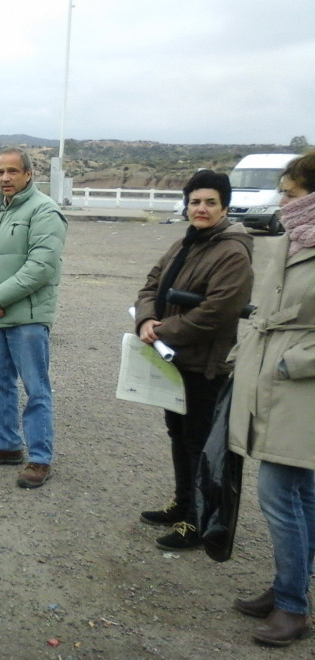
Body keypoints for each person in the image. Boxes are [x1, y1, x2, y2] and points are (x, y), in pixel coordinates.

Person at [133, 168, 253, 545]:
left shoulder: (232, 251)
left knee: (200, 443)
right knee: (179, 434)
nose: (200, 209)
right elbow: (152, 284)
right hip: (175, 360)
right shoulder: (186, 243)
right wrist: (147, 318)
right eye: (195, 202)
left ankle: (199, 521)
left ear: (225, 207)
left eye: (210, 203)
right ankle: (182, 503)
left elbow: (217, 312)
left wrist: (162, 330)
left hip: (205, 365)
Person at [228, 152, 315, 647]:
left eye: (292, 193)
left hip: (301, 385)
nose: (283, 201)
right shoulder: (293, 238)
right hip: (273, 374)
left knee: (280, 494)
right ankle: (289, 587)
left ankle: (292, 606)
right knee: (300, 491)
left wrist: (292, 363)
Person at [0, 147, 68, 489]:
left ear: (27, 175)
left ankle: (40, 457)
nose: (5, 178)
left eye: (12, 172)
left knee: (35, 388)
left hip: (27, 318)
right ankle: (8, 444)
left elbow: (40, 267)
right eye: (1, 172)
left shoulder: (45, 211)